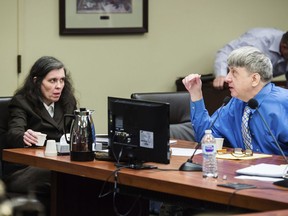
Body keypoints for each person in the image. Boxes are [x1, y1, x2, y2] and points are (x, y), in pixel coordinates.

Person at [2, 56, 77, 214]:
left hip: (60, 164)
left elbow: (74, 133)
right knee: (63, 175)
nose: (59, 86)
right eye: (52, 81)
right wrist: (24, 136)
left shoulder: (67, 102)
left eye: (62, 80)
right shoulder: (22, 102)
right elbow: (14, 133)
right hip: (25, 170)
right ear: (36, 81)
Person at [183, 46, 288, 155]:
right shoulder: (235, 103)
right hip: (242, 170)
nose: (227, 78)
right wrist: (196, 94)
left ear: (254, 79)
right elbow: (206, 139)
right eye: (228, 71)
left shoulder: (283, 103)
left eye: (234, 72)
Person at [213, 28, 288, 90]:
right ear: (284, 47)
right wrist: (221, 75)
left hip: (260, 87)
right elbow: (225, 52)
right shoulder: (258, 39)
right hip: (235, 85)